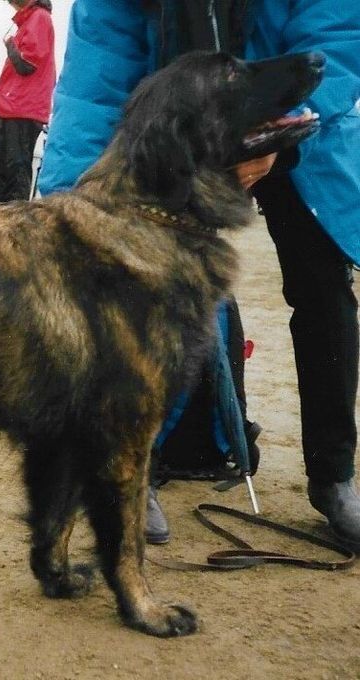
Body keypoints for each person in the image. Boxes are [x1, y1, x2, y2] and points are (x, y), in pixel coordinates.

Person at [38, 0, 360, 548]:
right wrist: (74, 203)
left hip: (299, 120)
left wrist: (273, 138)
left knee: (324, 287)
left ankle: (334, 477)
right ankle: (135, 470)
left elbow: (335, 33)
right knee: (138, 298)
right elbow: (94, 88)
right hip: (179, 137)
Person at [0, 0, 54, 204]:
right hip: (12, 107)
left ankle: (14, 222)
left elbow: (27, 63)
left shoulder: (39, 18)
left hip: (24, 108)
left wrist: (10, 44)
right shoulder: (32, 19)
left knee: (15, 169)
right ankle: (0, 214)